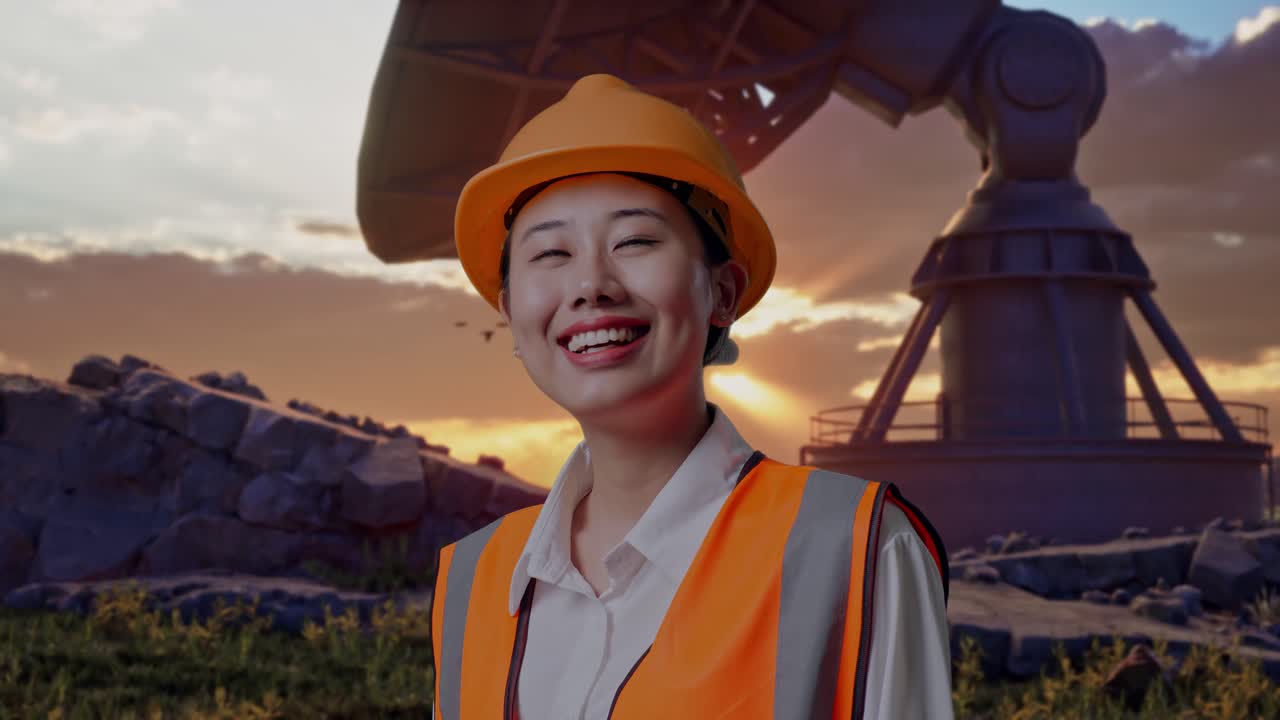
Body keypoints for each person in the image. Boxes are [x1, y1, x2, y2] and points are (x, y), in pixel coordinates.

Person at [431, 73, 953, 720]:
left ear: (723, 294)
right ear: (511, 313)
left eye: (636, 241)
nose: (591, 285)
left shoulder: (855, 545)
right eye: (551, 253)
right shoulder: (471, 583)